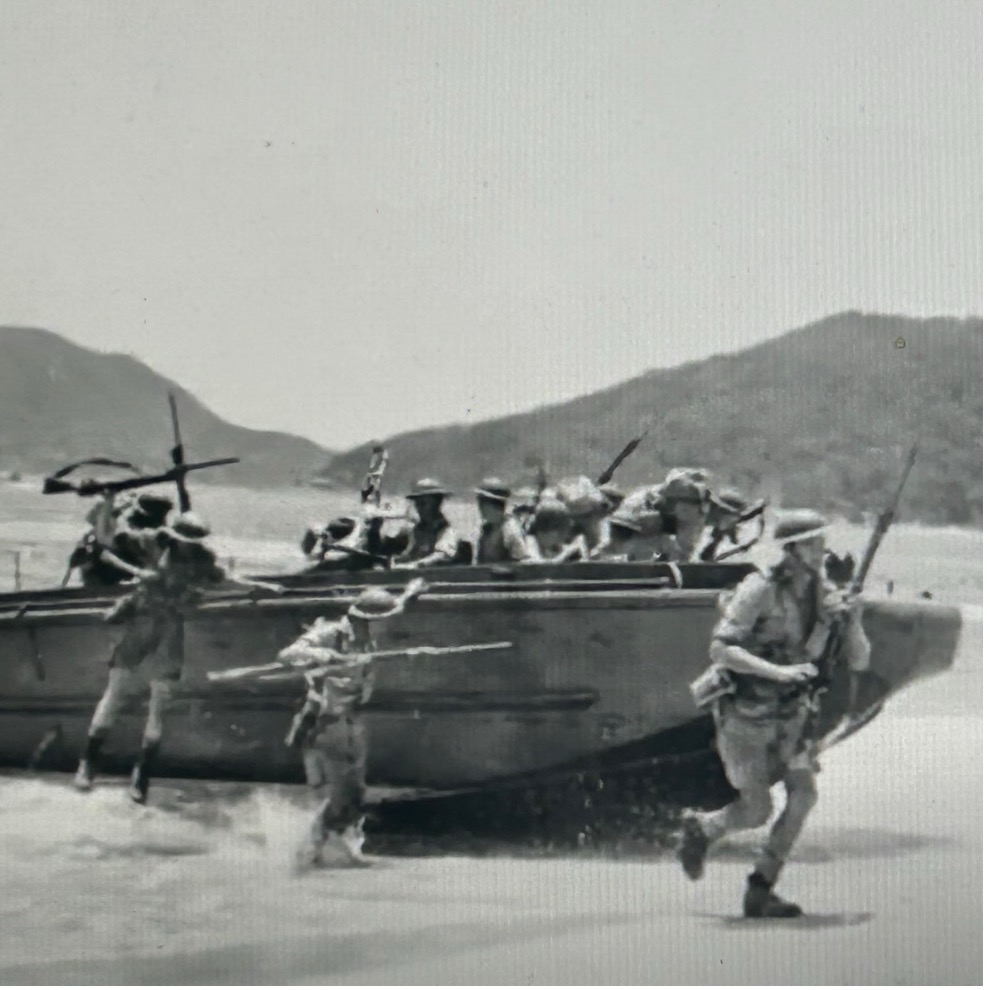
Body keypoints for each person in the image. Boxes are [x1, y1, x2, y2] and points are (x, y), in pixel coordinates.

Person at [675, 509, 872, 918]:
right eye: (814, 543)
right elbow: (722, 648)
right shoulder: (759, 589)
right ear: (793, 549)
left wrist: (852, 621)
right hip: (746, 714)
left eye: (822, 542)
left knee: (804, 796)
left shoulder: (823, 592)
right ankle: (703, 829)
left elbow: (860, 661)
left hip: (793, 716)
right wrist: (779, 672)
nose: (822, 551)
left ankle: (761, 887)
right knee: (756, 810)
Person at [73, 511, 282, 803]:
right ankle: (88, 764)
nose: (188, 546)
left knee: (158, 709)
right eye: (185, 540)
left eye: (193, 541)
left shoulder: (203, 560)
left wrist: (260, 587)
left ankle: (141, 776)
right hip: (141, 626)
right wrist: (104, 514)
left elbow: (225, 579)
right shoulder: (149, 541)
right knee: (114, 696)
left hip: (169, 632)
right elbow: (108, 538)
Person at [278, 578, 429, 869]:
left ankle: (331, 849)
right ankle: (308, 852)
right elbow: (286, 655)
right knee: (340, 794)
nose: (388, 627)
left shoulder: (366, 634)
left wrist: (411, 592)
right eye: (382, 621)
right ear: (368, 620)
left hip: (350, 720)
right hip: (325, 721)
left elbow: (397, 608)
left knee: (355, 794)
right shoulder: (331, 633)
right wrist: (320, 654)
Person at [392, 478, 463, 568]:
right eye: (417, 504)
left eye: (423, 503)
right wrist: (393, 563)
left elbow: (440, 556)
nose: (419, 508)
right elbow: (411, 554)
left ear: (437, 503)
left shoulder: (447, 531)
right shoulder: (418, 530)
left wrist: (415, 565)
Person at [473, 477, 538, 564]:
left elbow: (523, 562)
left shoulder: (510, 530)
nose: (480, 508)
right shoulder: (487, 529)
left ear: (493, 505)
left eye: (482, 503)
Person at [655, 468, 711, 562]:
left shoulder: (674, 486)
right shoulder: (698, 489)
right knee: (681, 546)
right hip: (685, 513)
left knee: (675, 545)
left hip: (673, 512)